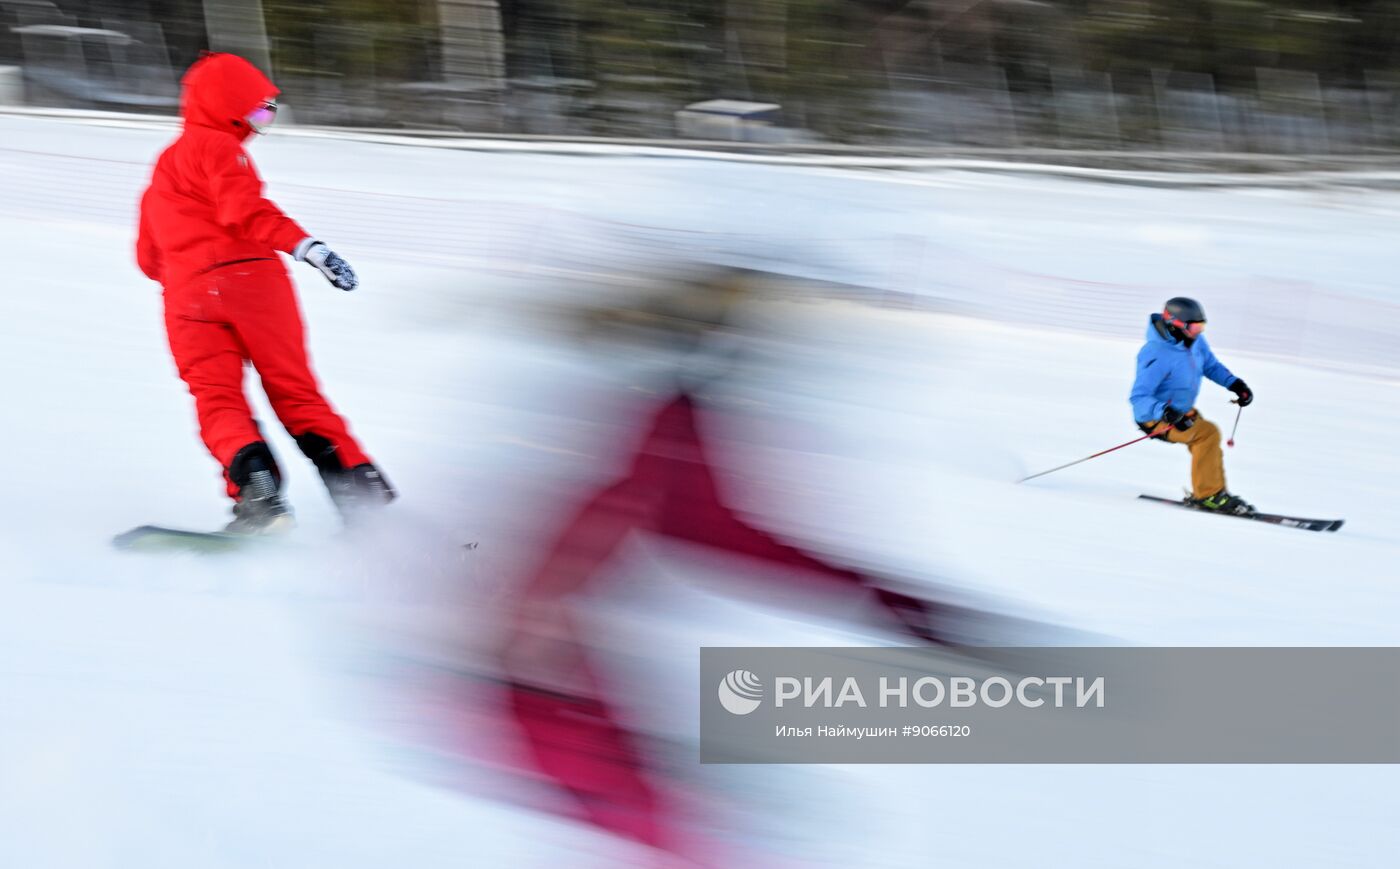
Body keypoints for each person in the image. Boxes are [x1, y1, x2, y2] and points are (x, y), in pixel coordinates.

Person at [136, 52, 393, 532]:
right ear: (226, 107)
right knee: (295, 392)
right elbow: (244, 211)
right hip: (252, 282)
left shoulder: (161, 175)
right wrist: (309, 247)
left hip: (188, 300)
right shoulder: (218, 148)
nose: (261, 123)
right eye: (257, 111)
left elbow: (147, 259)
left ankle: (259, 496)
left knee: (217, 399)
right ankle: (361, 497)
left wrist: (191, 267)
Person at [1130, 297, 1254, 514]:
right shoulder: (1155, 353)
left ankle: (1215, 492)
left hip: (1181, 412)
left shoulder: (1196, 342)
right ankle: (1208, 495)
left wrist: (1234, 384)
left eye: (1202, 326)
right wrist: (1164, 412)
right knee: (1207, 434)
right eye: (1194, 327)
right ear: (1175, 323)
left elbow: (1210, 365)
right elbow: (1139, 397)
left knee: (1207, 441)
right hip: (1155, 417)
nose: (1199, 332)